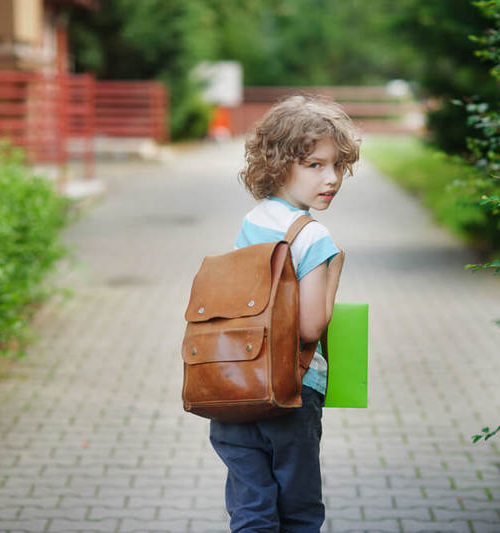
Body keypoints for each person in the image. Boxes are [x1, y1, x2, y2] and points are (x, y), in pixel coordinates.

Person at [209, 94, 361, 532]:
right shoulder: (314, 236)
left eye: (337, 166)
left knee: (251, 509)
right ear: (278, 164)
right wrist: (332, 271)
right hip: (290, 392)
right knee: (298, 512)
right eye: (315, 165)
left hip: (236, 386)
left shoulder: (253, 220)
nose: (330, 178)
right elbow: (312, 323)